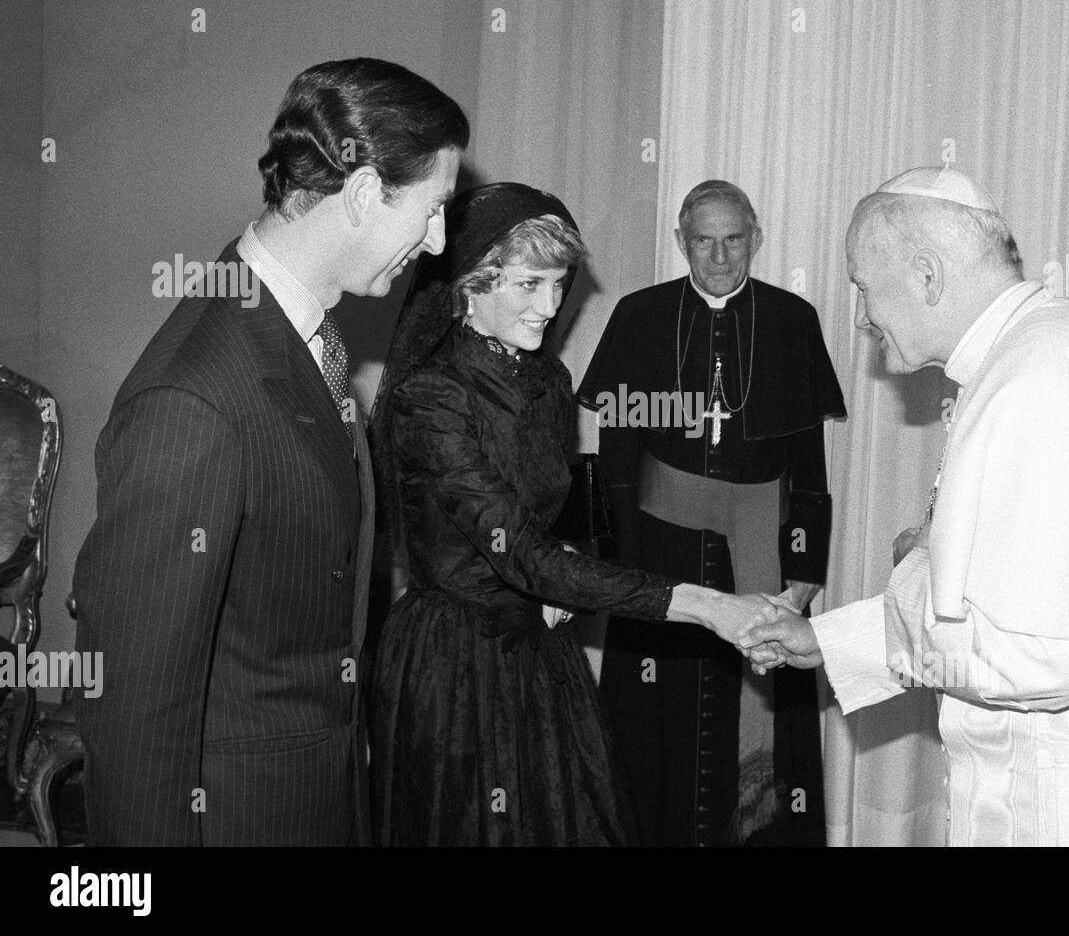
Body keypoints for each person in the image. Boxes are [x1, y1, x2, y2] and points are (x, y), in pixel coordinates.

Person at [744, 165, 1069, 846]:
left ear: (927, 274)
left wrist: (916, 569)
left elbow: (1052, 660)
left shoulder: (1042, 379)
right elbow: (1003, 615)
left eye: (864, 287)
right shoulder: (1038, 354)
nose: (863, 316)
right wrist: (828, 640)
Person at [71, 58, 468, 845]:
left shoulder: (301, 338)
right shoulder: (194, 401)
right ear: (361, 195)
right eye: (431, 211)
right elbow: (134, 720)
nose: (438, 240)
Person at [368, 182, 777, 846]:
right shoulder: (431, 398)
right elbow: (517, 550)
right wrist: (703, 604)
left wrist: (555, 574)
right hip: (456, 660)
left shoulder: (548, 380)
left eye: (559, 284)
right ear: (473, 284)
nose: (550, 306)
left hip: (540, 640)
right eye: (529, 285)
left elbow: (538, 522)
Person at [576, 180, 846, 846]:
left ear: (755, 237)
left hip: (761, 552)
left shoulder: (791, 321)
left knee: (762, 728)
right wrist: (614, 566)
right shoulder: (640, 318)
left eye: (734, 239)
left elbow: (808, 468)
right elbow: (614, 461)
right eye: (705, 240)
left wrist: (806, 565)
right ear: (681, 241)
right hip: (660, 552)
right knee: (653, 728)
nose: (721, 257)